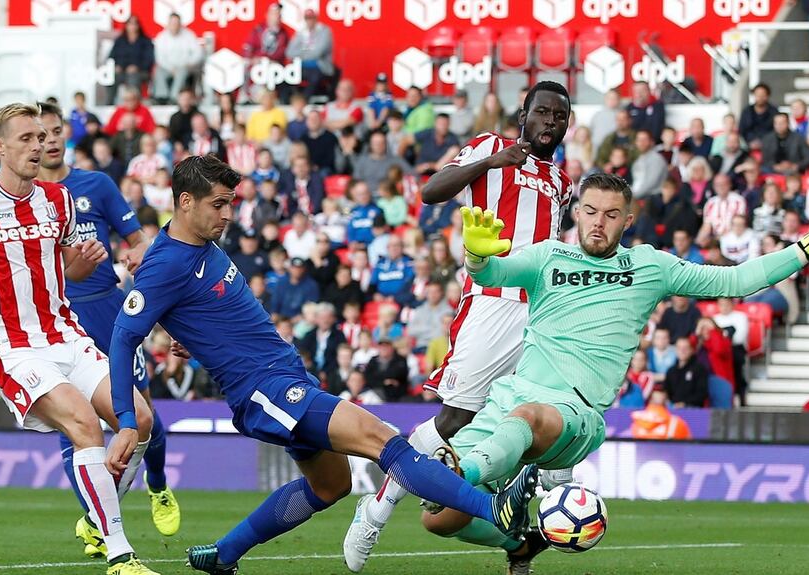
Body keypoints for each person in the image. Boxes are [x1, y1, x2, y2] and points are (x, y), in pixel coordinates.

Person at [401, 174, 809, 567]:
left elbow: (736, 280)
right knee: (439, 520)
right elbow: (493, 276)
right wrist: (477, 258)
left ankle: (463, 472)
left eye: (609, 214)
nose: (597, 222)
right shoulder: (548, 256)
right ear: (575, 213)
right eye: (589, 211)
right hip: (509, 397)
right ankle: (519, 540)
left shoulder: (649, 266)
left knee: (523, 425)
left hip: (575, 414)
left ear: (628, 220)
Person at [105, 154, 539, 575]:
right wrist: (127, 419)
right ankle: (492, 508)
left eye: (230, 203)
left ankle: (225, 553)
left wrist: (189, 334)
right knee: (382, 439)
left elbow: (200, 308)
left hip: (286, 375)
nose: (227, 214)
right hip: (265, 390)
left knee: (331, 486)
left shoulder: (195, 243)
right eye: (218, 204)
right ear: (185, 202)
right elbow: (124, 338)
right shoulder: (164, 265)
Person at [0, 103, 159, 575]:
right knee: (85, 425)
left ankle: (96, 520)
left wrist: (81, 263)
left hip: (66, 334)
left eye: (41, 137)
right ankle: (121, 555)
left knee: (141, 419)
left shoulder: (58, 200)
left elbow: (56, 268)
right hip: (14, 347)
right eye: (26, 138)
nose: (38, 145)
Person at [345, 82, 573, 573]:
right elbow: (430, 192)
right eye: (542, 112)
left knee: (550, 411)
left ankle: (538, 506)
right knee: (455, 419)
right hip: (493, 302)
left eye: (559, 115)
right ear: (523, 114)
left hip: (542, 309)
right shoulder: (490, 147)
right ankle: (377, 508)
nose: (550, 122)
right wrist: (492, 164)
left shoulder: (561, 180)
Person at [35, 101, 181, 551]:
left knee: (141, 417)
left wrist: (139, 255)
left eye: (58, 131)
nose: (52, 140)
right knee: (75, 427)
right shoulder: (26, 200)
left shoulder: (95, 184)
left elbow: (138, 240)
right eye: (42, 134)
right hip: (60, 320)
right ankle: (96, 522)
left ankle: (156, 486)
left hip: (110, 312)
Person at [152, 13, 203, 104]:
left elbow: (198, 53)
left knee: (182, 71)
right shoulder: (162, 37)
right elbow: (159, 58)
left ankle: (174, 97)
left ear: (180, 24)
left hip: (185, 66)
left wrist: (188, 63)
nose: (174, 26)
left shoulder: (189, 35)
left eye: (176, 23)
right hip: (167, 67)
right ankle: (161, 97)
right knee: (158, 71)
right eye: (172, 23)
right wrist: (171, 69)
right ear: (168, 24)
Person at [286, 9, 334, 98]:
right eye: (307, 18)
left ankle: (304, 100)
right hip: (301, 67)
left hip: (320, 66)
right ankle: (290, 101)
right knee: (287, 75)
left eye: (311, 18)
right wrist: (307, 53)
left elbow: (318, 52)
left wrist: (301, 54)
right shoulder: (301, 33)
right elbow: (289, 53)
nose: (309, 21)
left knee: (314, 77)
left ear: (316, 19)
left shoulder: (324, 31)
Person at [108, 16, 154, 104]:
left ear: (138, 26)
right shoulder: (120, 41)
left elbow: (149, 59)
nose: (132, 26)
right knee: (111, 77)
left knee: (133, 76)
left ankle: (135, 104)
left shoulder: (145, 41)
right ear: (126, 26)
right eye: (130, 24)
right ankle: (108, 104)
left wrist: (137, 67)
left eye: (135, 24)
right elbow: (111, 56)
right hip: (121, 72)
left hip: (140, 72)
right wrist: (117, 66)